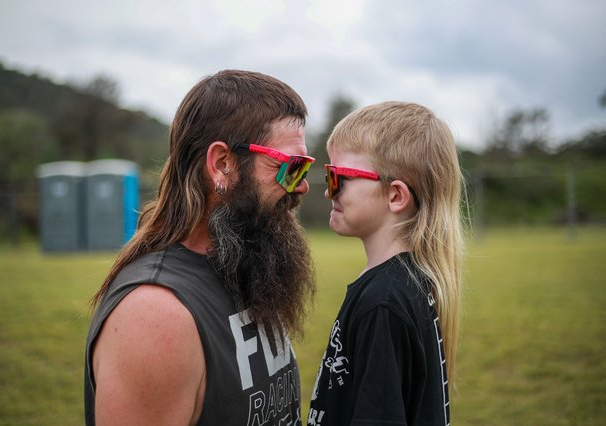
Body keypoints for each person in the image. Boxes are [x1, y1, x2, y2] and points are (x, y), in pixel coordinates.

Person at [84, 70, 317, 426]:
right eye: (290, 167)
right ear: (222, 165)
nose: (301, 188)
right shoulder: (154, 315)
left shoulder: (245, 265)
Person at [307, 101, 464, 426]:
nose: (328, 192)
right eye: (328, 176)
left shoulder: (384, 302)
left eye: (339, 178)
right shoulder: (400, 284)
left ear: (395, 196)